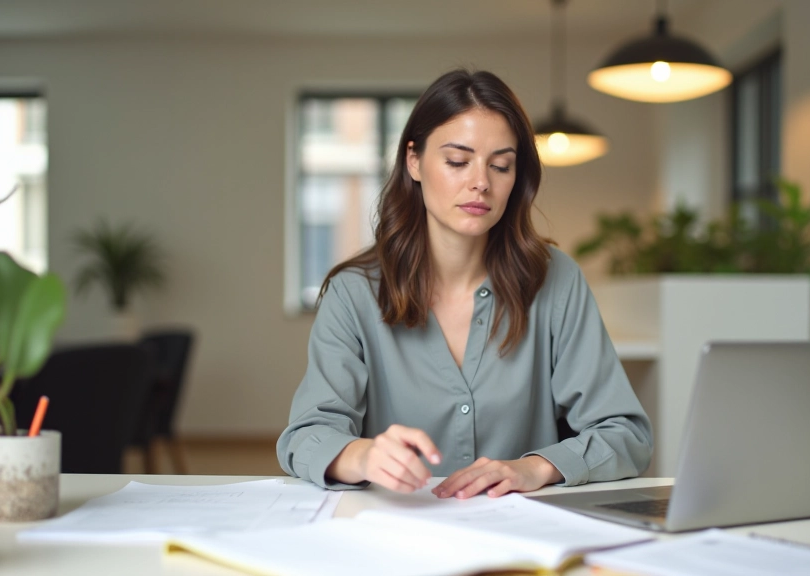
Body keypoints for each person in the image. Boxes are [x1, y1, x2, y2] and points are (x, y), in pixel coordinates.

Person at [278, 69, 652, 499]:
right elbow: (305, 437)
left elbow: (625, 434)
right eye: (457, 161)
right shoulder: (353, 293)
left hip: (520, 530)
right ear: (414, 161)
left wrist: (536, 468)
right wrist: (362, 456)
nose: (481, 183)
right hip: (397, 527)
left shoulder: (556, 280)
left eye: (501, 166)